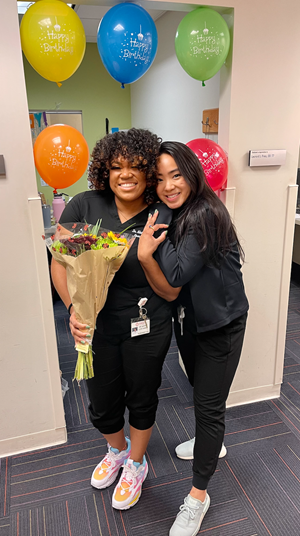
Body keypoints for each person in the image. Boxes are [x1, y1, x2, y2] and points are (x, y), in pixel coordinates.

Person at [51, 128, 179, 511]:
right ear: (104, 170)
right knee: (102, 403)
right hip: (97, 325)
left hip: (148, 322)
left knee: (142, 395)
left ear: (148, 171)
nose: (126, 174)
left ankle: (136, 464)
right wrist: (75, 310)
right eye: (116, 166)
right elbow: (60, 263)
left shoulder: (163, 214)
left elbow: (173, 277)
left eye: (136, 166)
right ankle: (117, 450)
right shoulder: (85, 207)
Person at [138, 141, 249, 535]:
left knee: (208, 406)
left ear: (191, 172)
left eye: (176, 175)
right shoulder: (180, 209)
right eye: (161, 179)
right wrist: (165, 215)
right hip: (192, 322)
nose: (168, 185)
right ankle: (210, 441)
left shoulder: (203, 213)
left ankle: (198, 497)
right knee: (199, 388)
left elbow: (177, 274)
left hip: (221, 325)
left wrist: (151, 246)